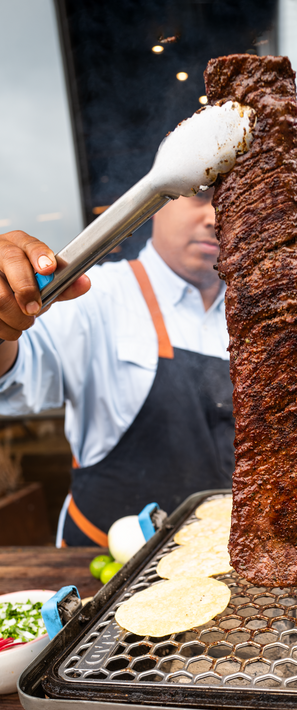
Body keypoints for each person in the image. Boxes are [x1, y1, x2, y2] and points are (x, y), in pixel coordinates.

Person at [0, 190, 234, 547]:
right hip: (103, 562)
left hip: (223, 553)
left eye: (230, 200)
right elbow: (15, 375)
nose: (216, 217)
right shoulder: (95, 294)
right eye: (201, 197)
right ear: (160, 201)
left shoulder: (252, 317)